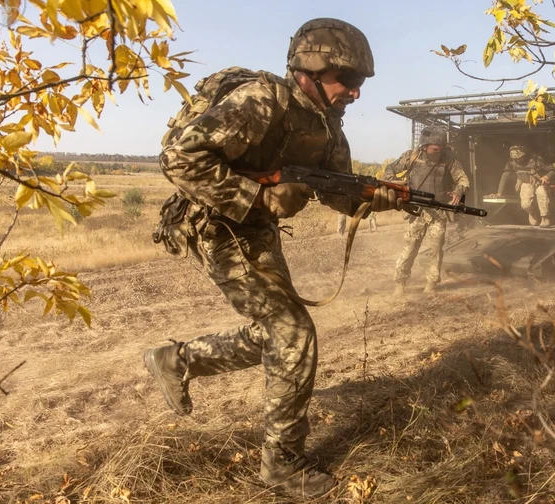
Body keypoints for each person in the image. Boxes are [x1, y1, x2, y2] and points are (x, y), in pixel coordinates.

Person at [143, 18, 401, 499]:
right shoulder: (261, 101)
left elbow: (338, 191)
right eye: (348, 79)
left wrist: (376, 199)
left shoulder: (326, 124)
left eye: (361, 82)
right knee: (292, 332)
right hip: (215, 224)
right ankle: (282, 465)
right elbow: (178, 158)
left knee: (280, 332)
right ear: (311, 69)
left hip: (255, 229)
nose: (355, 92)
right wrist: (258, 197)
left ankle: (177, 360)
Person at [383, 125, 469, 294]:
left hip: (438, 210)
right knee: (410, 247)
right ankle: (400, 282)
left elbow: (463, 180)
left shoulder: (449, 159)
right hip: (416, 210)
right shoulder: (412, 156)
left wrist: (458, 191)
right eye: (435, 149)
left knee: (436, 249)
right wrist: (394, 184)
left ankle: (431, 283)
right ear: (424, 146)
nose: (438, 152)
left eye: (441, 149)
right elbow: (390, 169)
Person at [486, 144, 555, 227]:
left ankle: (545, 217)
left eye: (520, 158)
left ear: (524, 154)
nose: (518, 160)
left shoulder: (536, 160)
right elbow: (505, 175)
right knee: (525, 204)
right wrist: (499, 193)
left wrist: (546, 177)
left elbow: (553, 170)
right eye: (516, 159)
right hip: (526, 183)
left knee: (542, 195)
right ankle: (532, 213)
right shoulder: (511, 162)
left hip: (539, 183)